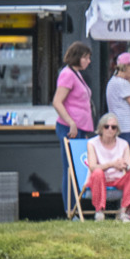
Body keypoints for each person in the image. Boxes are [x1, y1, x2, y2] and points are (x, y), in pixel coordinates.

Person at [53, 41, 95, 213]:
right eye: (86, 57)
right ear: (77, 57)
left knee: (79, 169)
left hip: (81, 129)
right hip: (69, 129)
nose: (89, 61)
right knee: (70, 168)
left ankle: (76, 207)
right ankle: (70, 209)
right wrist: (71, 122)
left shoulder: (77, 74)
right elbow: (57, 102)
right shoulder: (67, 74)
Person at [85, 113, 130, 222]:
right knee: (97, 172)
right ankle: (99, 212)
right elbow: (92, 167)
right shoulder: (92, 143)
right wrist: (112, 164)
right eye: (106, 126)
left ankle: (124, 212)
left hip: (118, 180)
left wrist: (124, 166)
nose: (110, 129)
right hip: (98, 180)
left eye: (113, 127)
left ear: (117, 130)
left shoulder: (124, 144)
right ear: (101, 128)